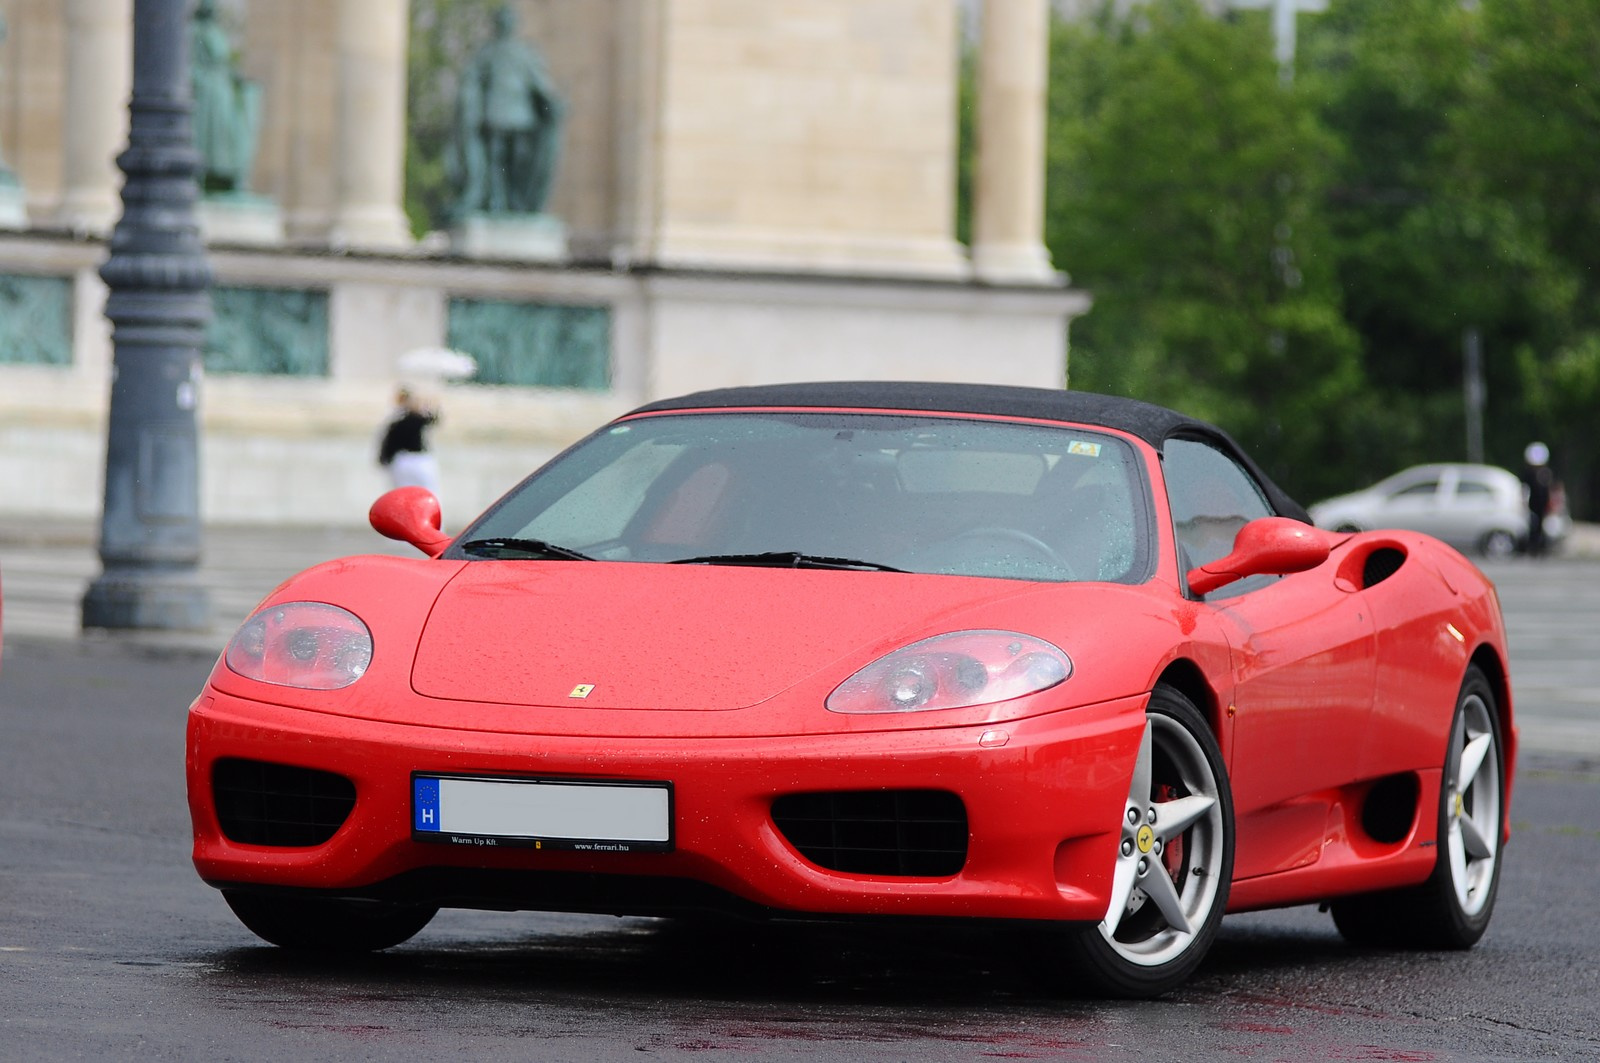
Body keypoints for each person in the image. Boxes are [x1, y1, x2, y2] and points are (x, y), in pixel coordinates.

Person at [452, 4, 565, 217]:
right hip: (494, 114)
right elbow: (473, 81)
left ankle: (515, 201)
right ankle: (497, 201)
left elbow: (540, 84)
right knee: (496, 159)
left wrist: (553, 103)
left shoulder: (524, 53)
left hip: (521, 116)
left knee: (517, 160)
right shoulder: (487, 52)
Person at [378, 388, 441, 494]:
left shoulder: (414, 416)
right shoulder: (400, 417)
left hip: (414, 459)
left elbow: (433, 419)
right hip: (404, 459)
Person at [1521, 441, 1555, 558]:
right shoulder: (1529, 474)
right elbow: (1525, 490)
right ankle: (1533, 548)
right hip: (1532, 505)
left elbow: (1549, 490)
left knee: (1540, 527)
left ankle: (1541, 547)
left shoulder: (1545, 473)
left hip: (1542, 505)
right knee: (1533, 527)